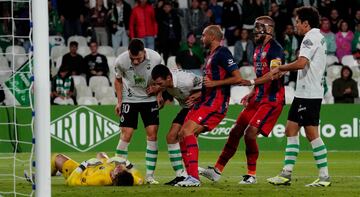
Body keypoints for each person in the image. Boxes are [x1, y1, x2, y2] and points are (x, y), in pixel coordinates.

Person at [198, 16, 285, 185]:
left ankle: (251, 175)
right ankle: (216, 171)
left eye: (258, 28)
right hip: (258, 97)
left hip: (272, 100)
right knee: (235, 132)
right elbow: (262, 75)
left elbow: (274, 74)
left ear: (268, 29)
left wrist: (251, 82)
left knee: (250, 134)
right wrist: (252, 92)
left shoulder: (276, 49)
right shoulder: (258, 49)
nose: (255, 32)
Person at [267, 6, 331, 187]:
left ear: (306, 23)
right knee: (290, 130)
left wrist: (280, 68)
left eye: (297, 22)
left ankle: (324, 177)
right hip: (304, 93)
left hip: (309, 94)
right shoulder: (319, 36)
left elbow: (302, 63)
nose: (296, 25)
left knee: (312, 135)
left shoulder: (309, 38)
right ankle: (286, 173)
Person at [174, 25, 242, 187]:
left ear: (212, 37)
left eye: (203, 36)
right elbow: (209, 83)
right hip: (205, 101)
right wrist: (199, 94)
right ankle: (190, 175)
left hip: (215, 103)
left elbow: (237, 78)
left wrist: (214, 83)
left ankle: (193, 178)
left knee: (187, 131)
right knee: (182, 135)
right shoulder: (210, 55)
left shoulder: (223, 53)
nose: (201, 39)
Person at [113, 39, 162, 184]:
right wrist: (119, 101)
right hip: (130, 99)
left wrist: (158, 93)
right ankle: (118, 173)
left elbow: (162, 79)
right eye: (132, 59)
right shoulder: (120, 61)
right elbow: (118, 80)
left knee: (152, 135)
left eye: (138, 59)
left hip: (149, 99)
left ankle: (150, 176)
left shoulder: (156, 58)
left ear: (144, 52)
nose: (135, 62)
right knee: (126, 134)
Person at [151, 64, 202, 186]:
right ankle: (181, 175)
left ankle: (193, 175)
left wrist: (198, 95)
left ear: (168, 78)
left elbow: (209, 86)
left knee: (185, 135)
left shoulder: (186, 81)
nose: (158, 86)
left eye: (160, 83)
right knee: (171, 137)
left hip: (200, 106)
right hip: (186, 108)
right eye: (156, 84)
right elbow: (160, 87)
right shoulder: (167, 82)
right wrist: (159, 95)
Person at [48, 152, 143, 186]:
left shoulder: (98, 180)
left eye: (119, 170)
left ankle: (47, 174)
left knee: (57, 157)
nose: (120, 166)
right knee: (101, 153)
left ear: (114, 177)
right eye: (124, 169)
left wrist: (84, 164)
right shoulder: (129, 179)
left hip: (80, 172)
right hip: (97, 166)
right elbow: (139, 180)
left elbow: (71, 181)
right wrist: (126, 162)